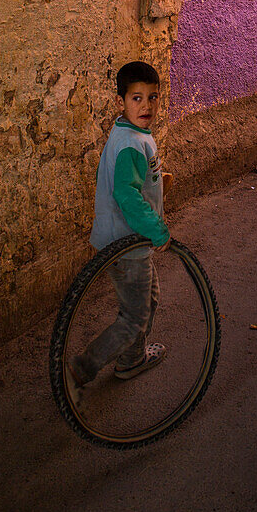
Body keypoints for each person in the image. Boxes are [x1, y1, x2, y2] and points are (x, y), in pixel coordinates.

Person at [66, 61, 170, 404]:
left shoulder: (132, 136)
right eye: (137, 98)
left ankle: (132, 359)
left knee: (148, 299)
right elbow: (126, 195)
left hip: (130, 244)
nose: (147, 106)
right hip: (127, 247)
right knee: (134, 316)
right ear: (121, 101)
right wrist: (157, 229)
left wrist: (157, 183)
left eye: (153, 97)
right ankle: (84, 367)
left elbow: (136, 182)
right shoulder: (129, 144)